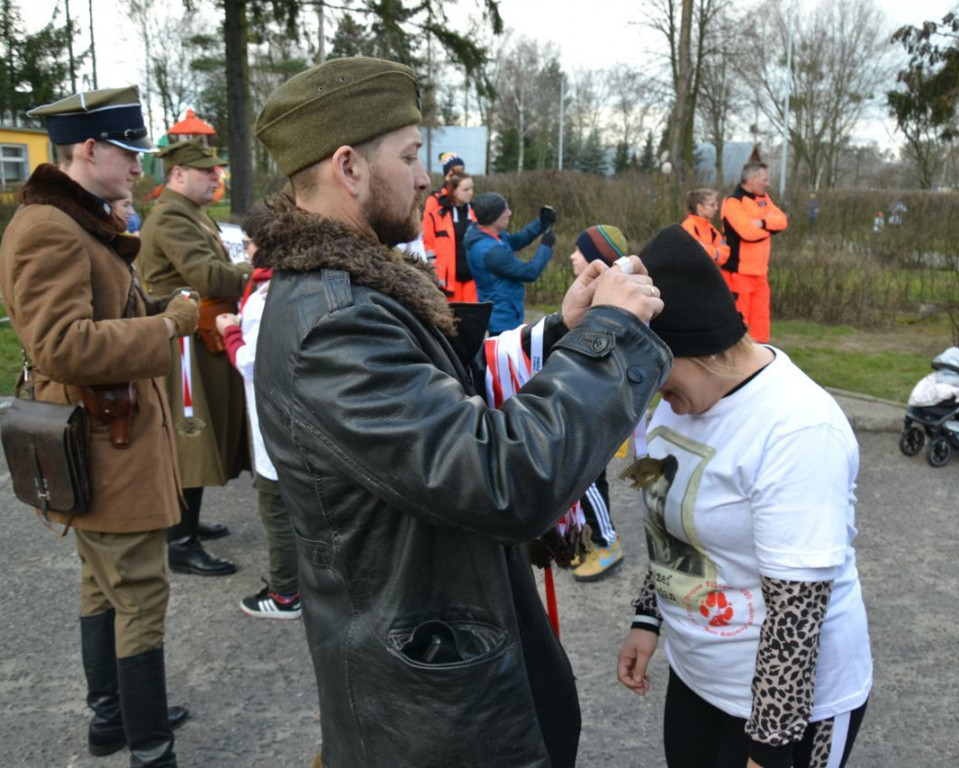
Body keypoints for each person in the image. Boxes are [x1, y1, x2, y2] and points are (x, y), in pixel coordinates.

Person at [250, 56, 670, 768]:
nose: (425, 177)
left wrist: (566, 333)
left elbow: (441, 408)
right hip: (430, 713)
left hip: (437, 659)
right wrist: (611, 336)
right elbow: (502, 477)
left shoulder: (355, 292)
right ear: (348, 167)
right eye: (411, 156)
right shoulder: (335, 325)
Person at [616, 224, 872, 768]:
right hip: (699, 677)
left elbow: (795, 617)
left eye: (658, 376)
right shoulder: (679, 399)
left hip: (790, 709)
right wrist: (648, 618)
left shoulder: (798, 430)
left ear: (702, 350)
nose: (652, 394)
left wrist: (768, 753)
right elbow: (673, 521)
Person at [0, 86, 195, 767]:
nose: (140, 166)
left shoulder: (76, 219)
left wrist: (165, 306)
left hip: (104, 436)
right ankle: (150, 748)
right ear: (90, 149)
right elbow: (61, 344)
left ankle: (112, 718)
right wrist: (168, 326)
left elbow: (106, 310)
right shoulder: (50, 228)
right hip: (104, 441)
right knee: (139, 591)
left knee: (102, 583)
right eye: (130, 152)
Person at [138, 140, 251, 577]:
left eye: (217, 171)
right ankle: (181, 543)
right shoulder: (170, 216)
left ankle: (186, 525)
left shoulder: (189, 213)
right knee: (190, 435)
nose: (216, 178)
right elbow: (208, 275)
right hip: (182, 342)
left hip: (196, 335)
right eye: (207, 172)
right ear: (178, 174)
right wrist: (258, 269)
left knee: (197, 436)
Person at [214, 206, 301, 619]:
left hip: (273, 419)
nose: (244, 250)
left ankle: (286, 594)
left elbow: (253, 361)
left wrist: (228, 329)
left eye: (248, 243)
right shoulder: (285, 281)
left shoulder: (266, 295)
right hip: (292, 417)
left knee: (277, 509)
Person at [566, 225, 631, 581]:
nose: (573, 256)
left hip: (598, 407)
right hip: (586, 404)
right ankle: (593, 540)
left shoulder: (608, 303)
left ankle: (608, 543)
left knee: (586, 478)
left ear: (597, 259)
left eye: (580, 250)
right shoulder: (590, 296)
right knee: (587, 479)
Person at [465, 191, 557, 333]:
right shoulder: (491, 252)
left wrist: (541, 224)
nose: (509, 213)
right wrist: (545, 247)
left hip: (503, 313)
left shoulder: (484, 233)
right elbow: (529, 272)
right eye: (504, 210)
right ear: (493, 217)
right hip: (503, 318)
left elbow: (516, 240)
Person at [720, 161, 788, 343]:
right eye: (765, 179)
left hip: (760, 273)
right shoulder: (733, 202)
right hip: (739, 273)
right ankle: (738, 362)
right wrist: (767, 223)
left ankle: (761, 355)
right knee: (739, 321)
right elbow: (748, 233)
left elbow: (782, 221)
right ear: (751, 179)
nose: (768, 183)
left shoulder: (763, 198)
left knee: (761, 320)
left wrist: (763, 223)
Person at [422, 170, 477, 302]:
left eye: (472, 188)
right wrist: (434, 272)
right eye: (466, 189)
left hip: (473, 280)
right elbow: (427, 244)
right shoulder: (436, 214)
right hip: (448, 281)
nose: (471, 192)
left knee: (475, 318)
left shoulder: (477, 212)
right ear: (454, 191)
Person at [680, 188, 730, 266]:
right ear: (699, 207)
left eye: (716, 205)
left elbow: (726, 252)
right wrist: (714, 252)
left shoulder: (711, 229)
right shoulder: (688, 226)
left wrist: (709, 251)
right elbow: (696, 252)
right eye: (712, 205)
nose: (716, 208)